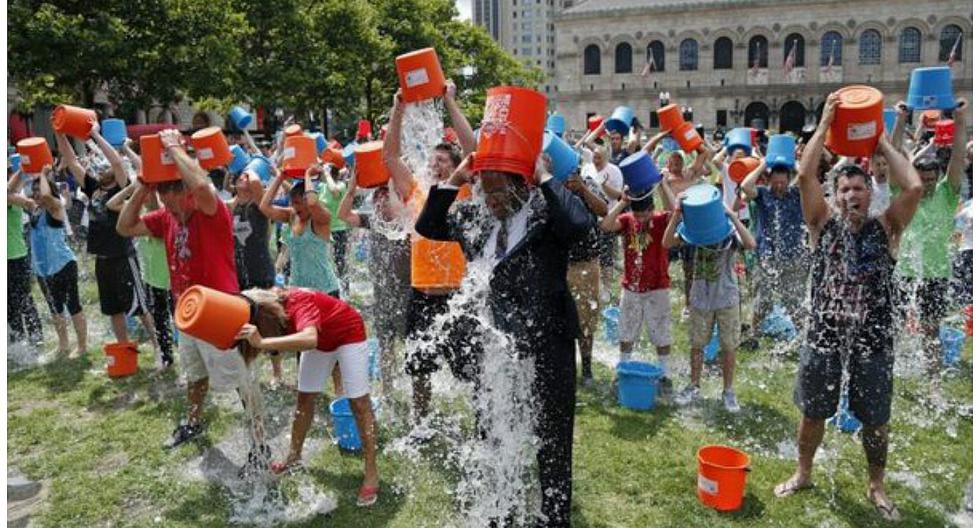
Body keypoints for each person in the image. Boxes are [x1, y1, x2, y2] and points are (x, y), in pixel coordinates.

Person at [416, 150, 593, 527]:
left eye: (500, 193)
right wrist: (459, 178)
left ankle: (555, 517)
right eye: (487, 192)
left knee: (553, 437)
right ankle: (498, 507)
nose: (493, 201)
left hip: (549, 342)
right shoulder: (474, 218)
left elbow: (581, 227)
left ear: (522, 185)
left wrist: (544, 176)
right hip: (494, 347)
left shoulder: (547, 215)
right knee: (491, 427)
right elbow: (428, 225)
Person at [774, 92, 922, 522]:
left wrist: (878, 140)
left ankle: (876, 484)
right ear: (835, 196)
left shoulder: (887, 227)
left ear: (868, 194)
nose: (853, 194)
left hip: (873, 341)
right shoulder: (821, 224)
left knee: (875, 421)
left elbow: (912, 186)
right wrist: (824, 126)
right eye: (845, 189)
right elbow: (805, 177)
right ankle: (803, 472)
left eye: (859, 188)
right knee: (813, 412)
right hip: (823, 336)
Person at [116, 129, 269, 476]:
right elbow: (125, 227)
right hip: (187, 312)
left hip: (221, 310)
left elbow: (203, 188)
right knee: (195, 374)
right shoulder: (165, 219)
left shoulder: (212, 213)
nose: (167, 201)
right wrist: (144, 183)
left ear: (186, 191)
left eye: (173, 192)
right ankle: (195, 421)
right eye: (164, 192)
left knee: (242, 382)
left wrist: (173, 148)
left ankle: (260, 445)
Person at [236, 286, 380, 507]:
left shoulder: (299, 302)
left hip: (348, 334)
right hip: (321, 342)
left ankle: (371, 471)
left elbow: (309, 338)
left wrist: (263, 342)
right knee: (304, 400)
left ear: (265, 315)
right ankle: (294, 457)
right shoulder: (273, 310)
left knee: (359, 404)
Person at [385, 83, 478, 422]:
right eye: (433, 160)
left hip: (457, 296)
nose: (435, 165)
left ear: (456, 166)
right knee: (419, 367)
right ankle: (421, 421)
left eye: (442, 160)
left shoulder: (463, 191)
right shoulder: (417, 190)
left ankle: (479, 417)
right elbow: (390, 157)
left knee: (470, 367)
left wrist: (449, 100)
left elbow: (472, 148)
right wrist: (398, 108)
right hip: (421, 294)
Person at [57, 123, 157, 355]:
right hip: (102, 259)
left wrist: (94, 134)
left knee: (140, 307)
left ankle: (158, 347)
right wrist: (60, 132)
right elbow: (71, 160)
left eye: (102, 165)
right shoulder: (94, 189)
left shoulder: (122, 187)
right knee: (113, 309)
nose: (97, 167)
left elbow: (117, 162)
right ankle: (124, 350)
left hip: (122, 255)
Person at [891, 99, 968, 396]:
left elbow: (958, 158)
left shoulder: (947, 195)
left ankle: (933, 384)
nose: (928, 185)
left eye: (932, 180)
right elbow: (895, 153)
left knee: (930, 330)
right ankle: (889, 377)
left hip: (935, 274)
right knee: (895, 328)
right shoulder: (905, 194)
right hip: (905, 271)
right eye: (923, 181)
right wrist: (901, 119)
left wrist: (960, 121)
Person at [663, 185, 757, 413]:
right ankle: (694, 385)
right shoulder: (693, 232)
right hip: (700, 297)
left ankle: (728, 391)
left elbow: (751, 244)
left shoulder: (728, 232)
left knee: (728, 346)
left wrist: (733, 217)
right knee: (697, 344)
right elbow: (667, 243)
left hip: (727, 298)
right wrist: (677, 213)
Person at [336, 169, 412, 399]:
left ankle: (411, 388)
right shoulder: (373, 222)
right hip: (382, 296)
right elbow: (343, 215)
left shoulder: (407, 223)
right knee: (385, 344)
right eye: (377, 198)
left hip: (408, 296)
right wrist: (351, 188)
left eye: (385, 197)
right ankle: (388, 390)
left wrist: (392, 183)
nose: (379, 203)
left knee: (410, 345)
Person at [601, 179, 677, 395]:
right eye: (638, 215)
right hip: (631, 288)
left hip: (658, 287)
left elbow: (676, 211)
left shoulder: (662, 220)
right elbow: (606, 225)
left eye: (645, 215)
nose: (641, 220)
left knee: (661, 331)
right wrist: (622, 202)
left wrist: (663, 187)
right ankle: (623, 368)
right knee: (626, 330)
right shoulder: (626, 220)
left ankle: (664, 374)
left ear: (653, 210)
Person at [739, 157, 808, 344]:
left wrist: (795, 163)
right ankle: (753, 334)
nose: (779, 186)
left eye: (783, 182)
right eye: (775, 182)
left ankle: (805, 339)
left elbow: (807, 179)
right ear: (769, 181)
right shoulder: (763, 194)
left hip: (793, 257)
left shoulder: (796, 194)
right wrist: (763, 164)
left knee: (793, 301)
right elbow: (745, 186)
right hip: (766, 256)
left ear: (789, 180)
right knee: (763, 300)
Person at [28, 165, 88, 357]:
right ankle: (63, 345)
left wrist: (43, 174)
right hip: (44, 270)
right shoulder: (33, 209)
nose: (37, 193)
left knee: (73, 306)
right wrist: (21, 172)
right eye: (34, 190)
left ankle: (82, 346)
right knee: (55, 309)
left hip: (63, 265)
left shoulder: (55, 205)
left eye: (39, 189)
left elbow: (46, 196)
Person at [259, 165, 340, 298]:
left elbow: (313, 203)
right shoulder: (292, 216)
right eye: (292, 203)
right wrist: (279, 178)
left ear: (307, 200)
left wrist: (308, 175)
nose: (294, 207)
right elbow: (264, 207)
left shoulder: (322, 218)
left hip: (325, 290)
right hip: (298, 289)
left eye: (297, 202)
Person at [563, 169, 608, 386]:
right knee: (563, 317)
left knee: (587, 318)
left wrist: (582, 188)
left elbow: (604, 209)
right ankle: (567, 367)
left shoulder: (588, 184)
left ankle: (587, 368)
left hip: (587, 263)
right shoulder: (555, 185)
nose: (571, 178)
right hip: (562, 262)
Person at [7, 167, 44, 346]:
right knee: (8, 305)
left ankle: (36, 336)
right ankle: (18, 340)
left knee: (24, 299)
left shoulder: (9, 199)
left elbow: (8, 191)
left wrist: (24, 168)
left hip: (15, 257)